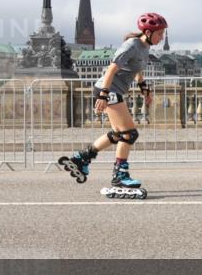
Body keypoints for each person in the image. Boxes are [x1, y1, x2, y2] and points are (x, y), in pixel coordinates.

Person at [59, 13, 168, 192]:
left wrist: (144, 88)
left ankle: (81, 158)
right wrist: (103, 95)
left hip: (114, 91)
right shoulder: (131, 45)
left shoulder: (144, 47)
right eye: (160, 34)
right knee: (129, 134)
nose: (161, 37)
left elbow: (138, 70)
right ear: (148, 32)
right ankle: (119, 176)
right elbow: (111, 69)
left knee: (118, 134)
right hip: (109, 90)